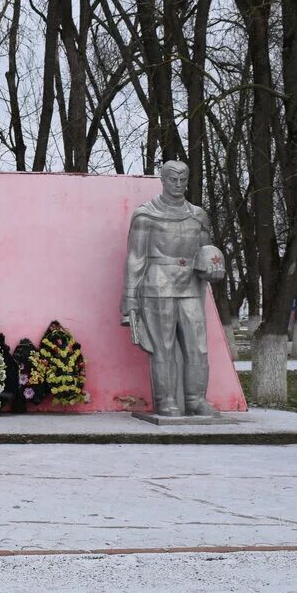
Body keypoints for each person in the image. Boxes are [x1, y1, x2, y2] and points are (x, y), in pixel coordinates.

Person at [120, 160, 224, 417]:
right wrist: (130, 301)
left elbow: (205, 252)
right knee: (163, 347)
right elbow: (135, 258)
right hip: (157, 285)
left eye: (182, 180)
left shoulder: (198, 215)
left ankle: (196, 399)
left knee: (197, 346)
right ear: (163, 181)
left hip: (190, 286)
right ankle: (165, 400)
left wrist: (214, 265)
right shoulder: (146, 215)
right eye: (172, 179)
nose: (178, 185)